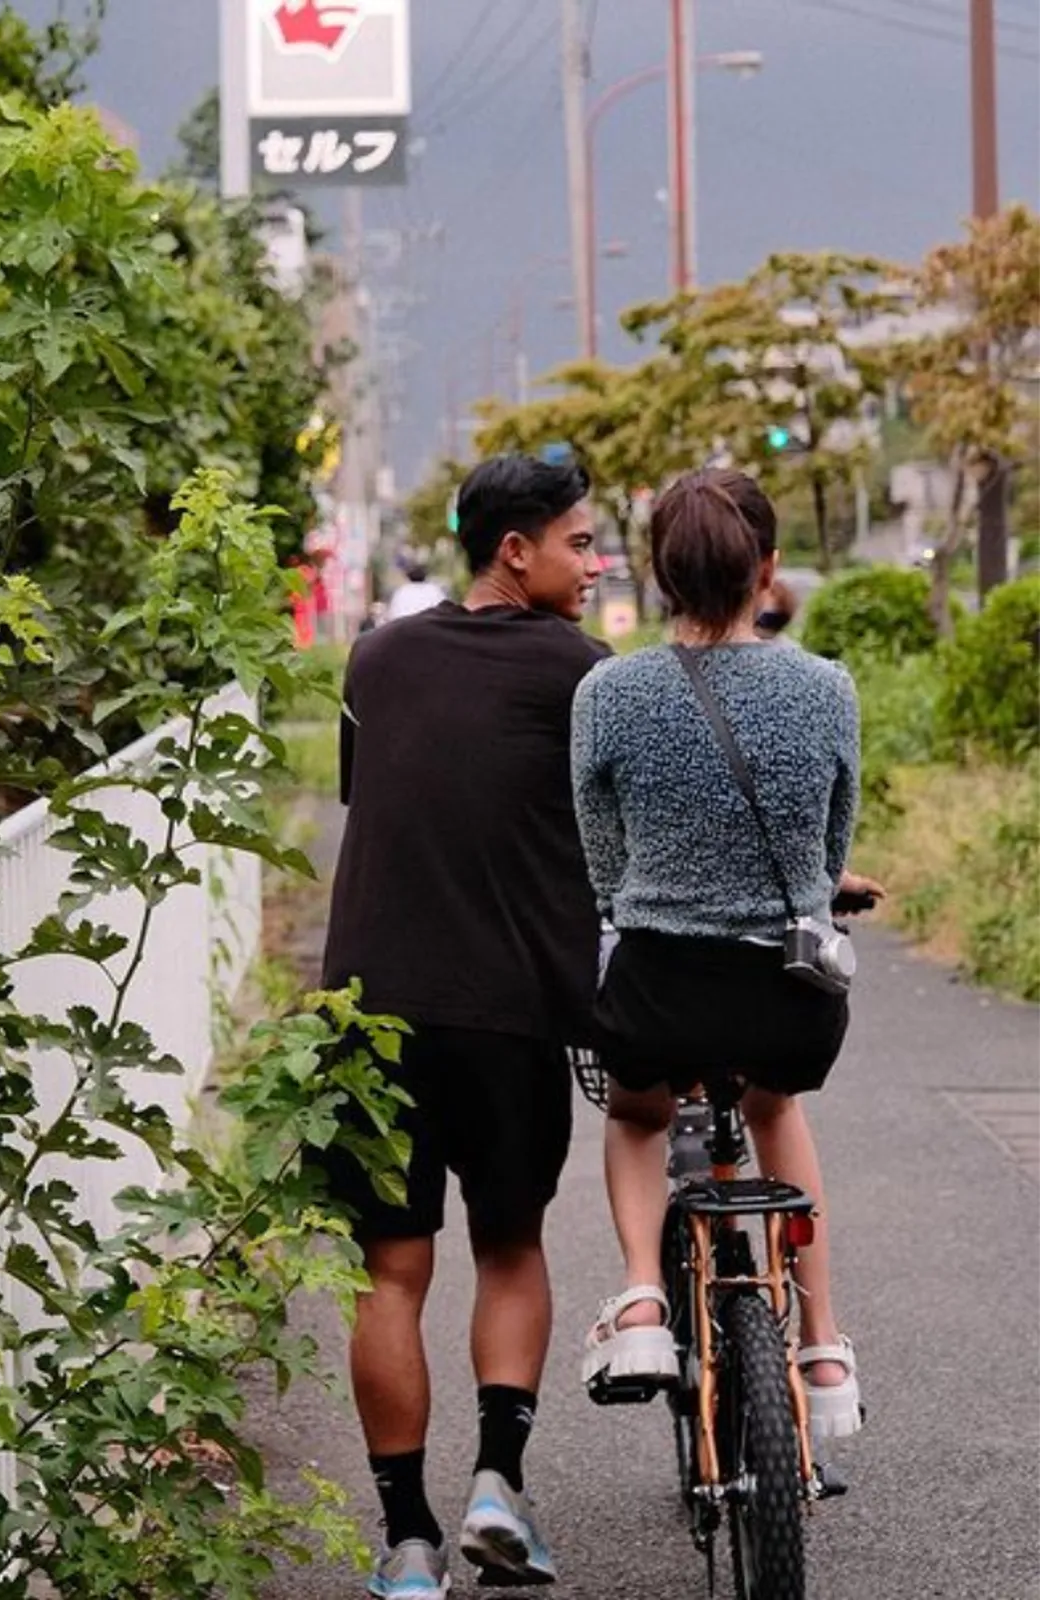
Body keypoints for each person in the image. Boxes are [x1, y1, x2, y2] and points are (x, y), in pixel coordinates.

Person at [317, 453, 606, 1597]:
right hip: (510, 1008)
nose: (593, 564)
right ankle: (497, 1485)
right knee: (509, 1245)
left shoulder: (377, 657)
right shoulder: (582, 674)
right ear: (513, 550)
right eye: (577, 543)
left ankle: (406, 1547)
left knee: (389, 1271)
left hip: (369, 1012)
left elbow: (375, 795)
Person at [570, 468, 864, 1441]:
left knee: (637, 1112)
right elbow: (824, 853)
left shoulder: (607, 691)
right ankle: (820, 1343)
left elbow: (604, 863)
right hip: (783, 992)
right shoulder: (824, 687)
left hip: (658, 984)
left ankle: (646, 1299)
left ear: (657, 578)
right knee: (775, 1105)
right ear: (767, 572)